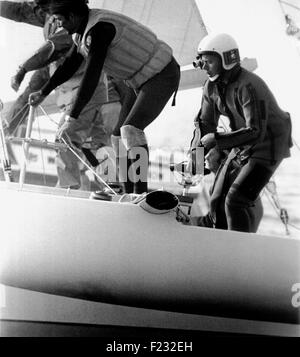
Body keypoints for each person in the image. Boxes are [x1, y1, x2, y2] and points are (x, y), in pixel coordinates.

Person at [29, 0, 181, 194]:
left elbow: (91, 77)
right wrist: (43, 92)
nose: (58, 25)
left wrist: (72, 118)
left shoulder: (99, 30)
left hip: (162, 73)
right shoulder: (82, 33)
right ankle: (128, 194)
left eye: (59, 20)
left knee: (131, 130)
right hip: (140, 82)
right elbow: (70, 65)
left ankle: (141, 194)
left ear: (73, 17)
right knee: (118, 136)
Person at [0, 0, 121, 189]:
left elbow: (52, 50)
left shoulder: (71, 25)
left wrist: (23, 69)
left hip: (85, 93)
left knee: (66, 137)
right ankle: (111, 187)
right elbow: (20, 12)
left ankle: (69, 189)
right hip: (78, 94)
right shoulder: (53, 15)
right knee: (94, 145)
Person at [189, 33, 292, 233]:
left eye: (209, 61)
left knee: (236, 200)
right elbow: (205, 123)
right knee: (216, 199)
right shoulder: (210, 87)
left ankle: (239, 253)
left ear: (227, 61)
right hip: (242, 142)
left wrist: (217, 142)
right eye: (203, 62)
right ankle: (218, 246)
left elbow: (255, 131)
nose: (205, 67)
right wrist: (196, 157)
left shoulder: (249, 85)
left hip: (268, 145)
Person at [179, 147, 264, 232]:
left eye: (211, 154)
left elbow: (214, 221)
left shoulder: (228, 183)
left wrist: (187, 220)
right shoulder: (239, 177)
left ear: (224, 157)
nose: (206, 157)